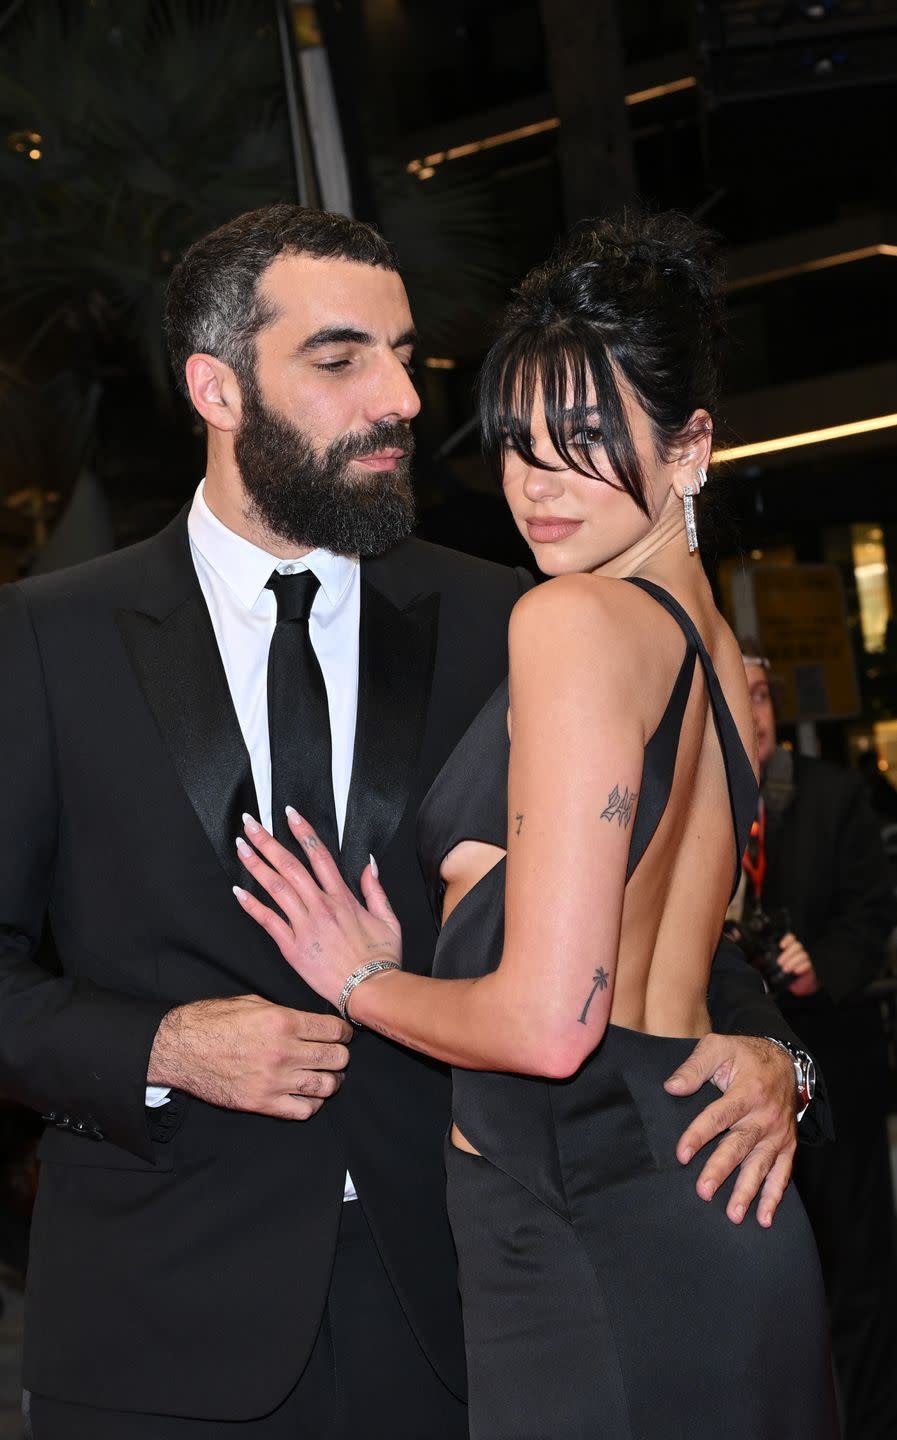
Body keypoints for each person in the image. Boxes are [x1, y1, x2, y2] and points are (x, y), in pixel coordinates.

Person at [0, 205, 819, 1439]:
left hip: (465, 1309)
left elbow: (634, 894)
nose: (402, 396)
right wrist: (163, 1049)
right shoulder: (55, 636)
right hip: (164, 1326)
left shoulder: (507, 611)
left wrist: (777, 1055)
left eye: (406, 354)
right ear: (217, 386)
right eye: (342, 358)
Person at [233, 212, 840, 1439]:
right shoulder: (716, 655)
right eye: (517, 442)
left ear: (691, 448)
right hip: (708, 1219)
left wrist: (359, 978)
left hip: (587, 1235)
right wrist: (790, 1063)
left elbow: (549, 1025)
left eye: (585, 440)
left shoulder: (570, 624)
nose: (537, 483)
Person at [736, 652, 897, 1440]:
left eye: (763, 693)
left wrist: (820, 965)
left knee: (858, 1267)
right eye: (741, 695)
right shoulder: (699, 804)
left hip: (838, 1069)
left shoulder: (832, 796)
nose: (756, 711)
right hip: (746, 1092)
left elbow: (874, 914)